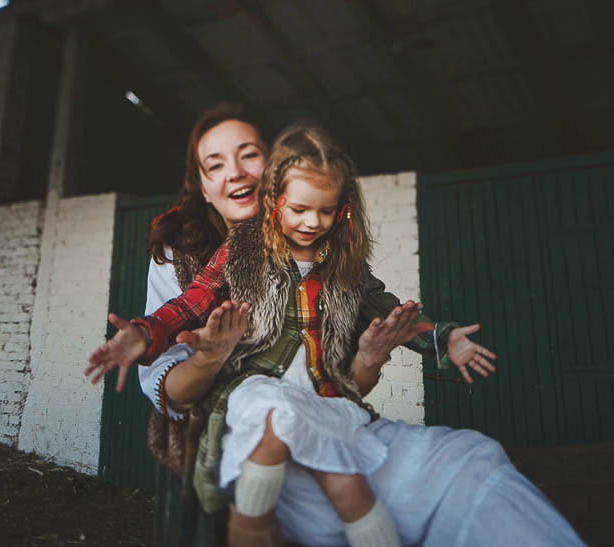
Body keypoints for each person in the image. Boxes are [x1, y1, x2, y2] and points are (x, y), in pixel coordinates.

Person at [88, 123, 582, 547]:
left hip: (324, 404)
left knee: (435, 465)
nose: (311, 222)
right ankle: (250, 525)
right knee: (275, 409)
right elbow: (188, 304)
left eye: (325, 211)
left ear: (340, 210)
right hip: (257, 401)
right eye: (300, 209)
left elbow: (396, 317)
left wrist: (443, 337)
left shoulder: (342, 270)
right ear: (275, 200)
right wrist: (146, 333)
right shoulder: (236, 252)